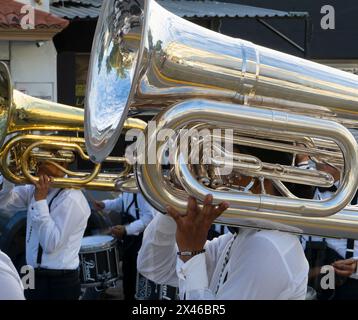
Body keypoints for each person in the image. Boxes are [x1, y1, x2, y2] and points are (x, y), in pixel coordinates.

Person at [137, 191, 309, 299]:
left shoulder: (268, 246)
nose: (218, 179)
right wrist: (175, 201)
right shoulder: (242, 237)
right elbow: (154, 267)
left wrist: (191, 253)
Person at [0, 160, 91, 300]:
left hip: (58, 281)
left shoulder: (73, 199)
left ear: (63, 164)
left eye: (44, 160)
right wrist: (8, 176)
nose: (37, 163)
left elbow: (50, 244)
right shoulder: (36, 187)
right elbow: (4, 202)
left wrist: (40, 201)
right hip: (29, 271)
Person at [297, 154, 358, 300]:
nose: (325, 156)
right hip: (305, 282)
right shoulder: (302, 188)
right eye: (322, 150)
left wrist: (356, 266)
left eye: (333, 150)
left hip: (349, 287)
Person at [94, 192, 155, 300]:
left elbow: (149, 218)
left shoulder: (146, 191)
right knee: (128, 277)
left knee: (138, 279)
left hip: (142, 240)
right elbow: (122, 202)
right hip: (129, 239)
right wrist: (105, 204)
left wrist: (127, 229)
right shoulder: (128, 186)